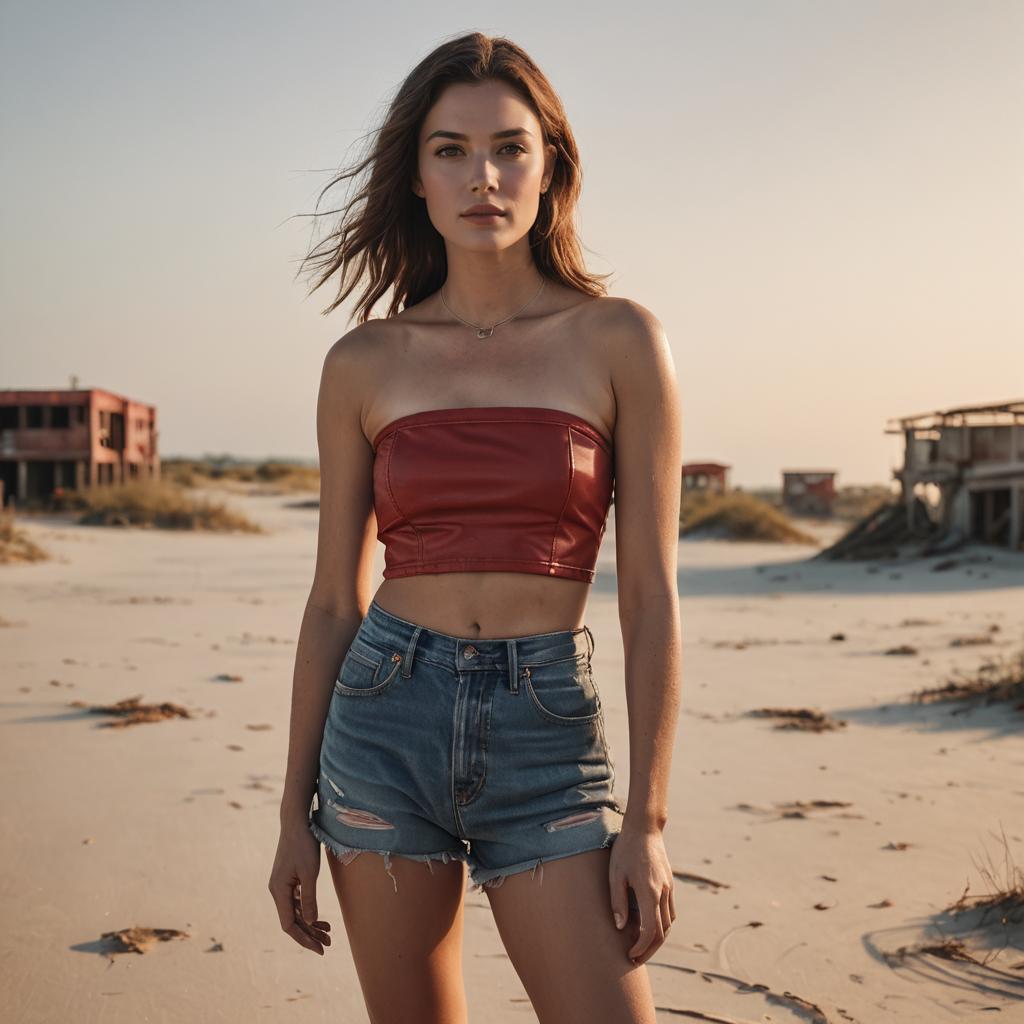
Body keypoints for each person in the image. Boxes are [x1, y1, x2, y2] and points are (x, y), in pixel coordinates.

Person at [269, 30, 682, 1023]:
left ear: (552, 166)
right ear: (416, 174)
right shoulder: (365, 361)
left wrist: (648, 821)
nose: (482, 176)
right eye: (450, 149)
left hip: (546, 730)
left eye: (509, 147)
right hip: (382, 719)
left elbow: (648, 594)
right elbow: (334, 597)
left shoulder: (618, 338)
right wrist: (291, 813)